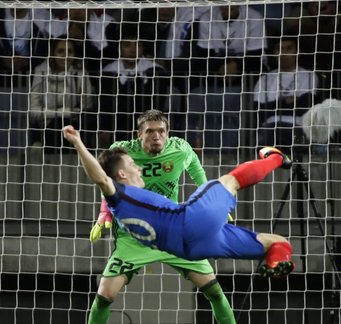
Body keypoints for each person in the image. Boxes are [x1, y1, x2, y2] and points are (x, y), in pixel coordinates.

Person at [64, 123, 295, 324]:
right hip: (191, 221)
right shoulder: (120, 194)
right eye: (133, 165)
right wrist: (78, 143)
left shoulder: (122, 203)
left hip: (190, 249)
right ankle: (274, 157)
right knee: (231, 180)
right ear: (122, 174)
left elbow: (104, 180)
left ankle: (277, 261)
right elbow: (100, 177)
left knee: (277, 243)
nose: (140, 167)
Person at [86, 110, 237, 324]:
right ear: (139, 134)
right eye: (149, 131)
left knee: (213, 290)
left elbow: (198, 174)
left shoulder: (181, 149)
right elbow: (105, 180)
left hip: (172, 231)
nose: (156, 136)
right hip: (134, 234)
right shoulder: (121, 152)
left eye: (161, 131)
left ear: (167, 133)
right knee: (104, 296)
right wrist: (104, 211)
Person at [29, 36, 93, 151]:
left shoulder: (80, 72)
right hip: (45, 126)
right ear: (53, 53)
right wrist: (62, 113)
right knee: (57, 125)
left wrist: (74, 113)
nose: (66, 55)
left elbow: (87, 104)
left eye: (70, 51)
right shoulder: (41, 71)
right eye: (60, 51)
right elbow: (34, 111)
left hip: (73, 124)